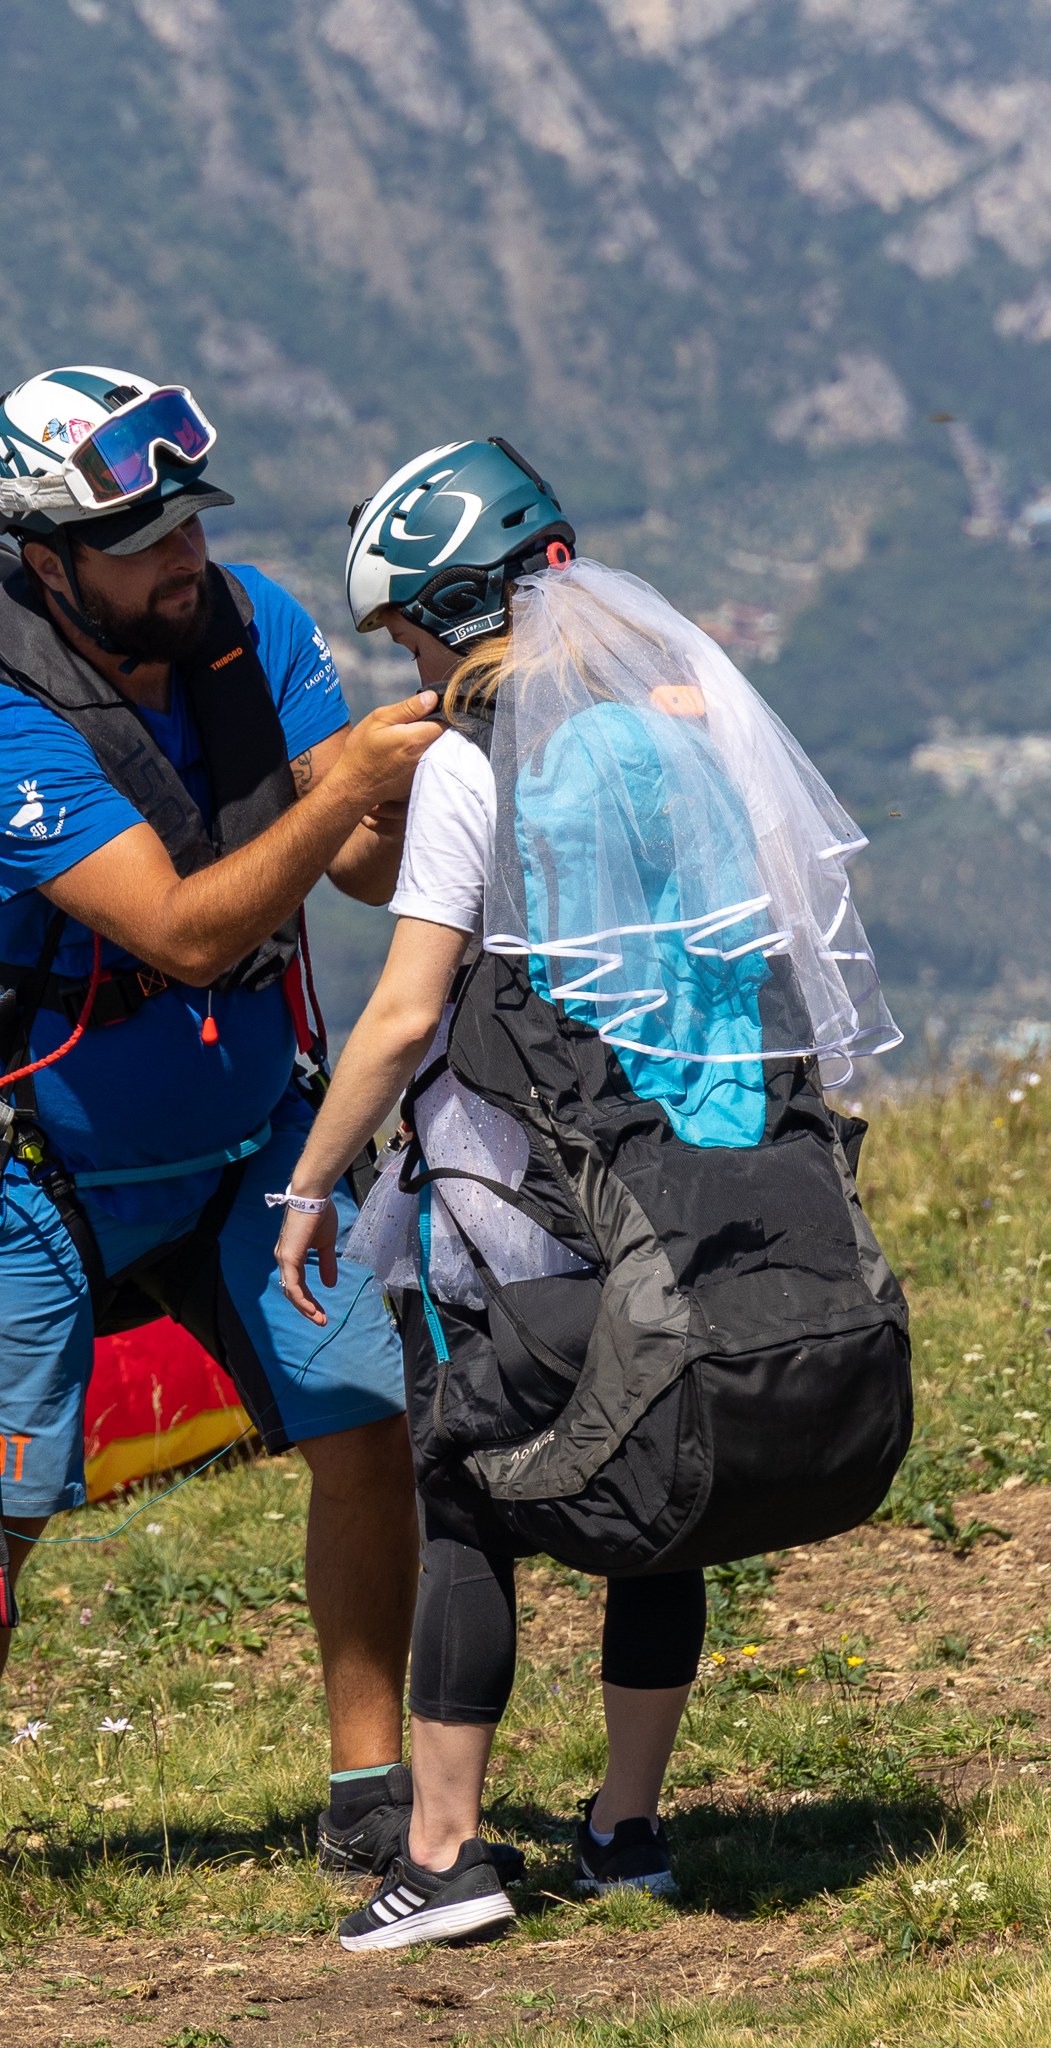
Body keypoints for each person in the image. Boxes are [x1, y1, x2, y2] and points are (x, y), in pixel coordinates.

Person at [274, 437, 900, 1950]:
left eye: (409, 632)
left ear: (453, 612)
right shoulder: (688, 736)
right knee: (659, 1496)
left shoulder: (475, 769)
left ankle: (443, 1859)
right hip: (691, 1185)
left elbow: (409, 1015)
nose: (409, 665)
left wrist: (308, 1189)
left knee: (461, 1495)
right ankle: (627, 1830)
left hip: (520, 1207)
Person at [0, 367, 442, 1921]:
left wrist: (405, 778)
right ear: (50, 563)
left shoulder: (248, 624)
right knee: (0, 1505)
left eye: (189, 521)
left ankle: (366, 1793)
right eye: (141, 542)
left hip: (253, 1134)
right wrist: (348, 801)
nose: (183, 558)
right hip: (38, 1165)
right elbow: (186, 934)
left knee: (361, 1426)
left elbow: (363, 858)